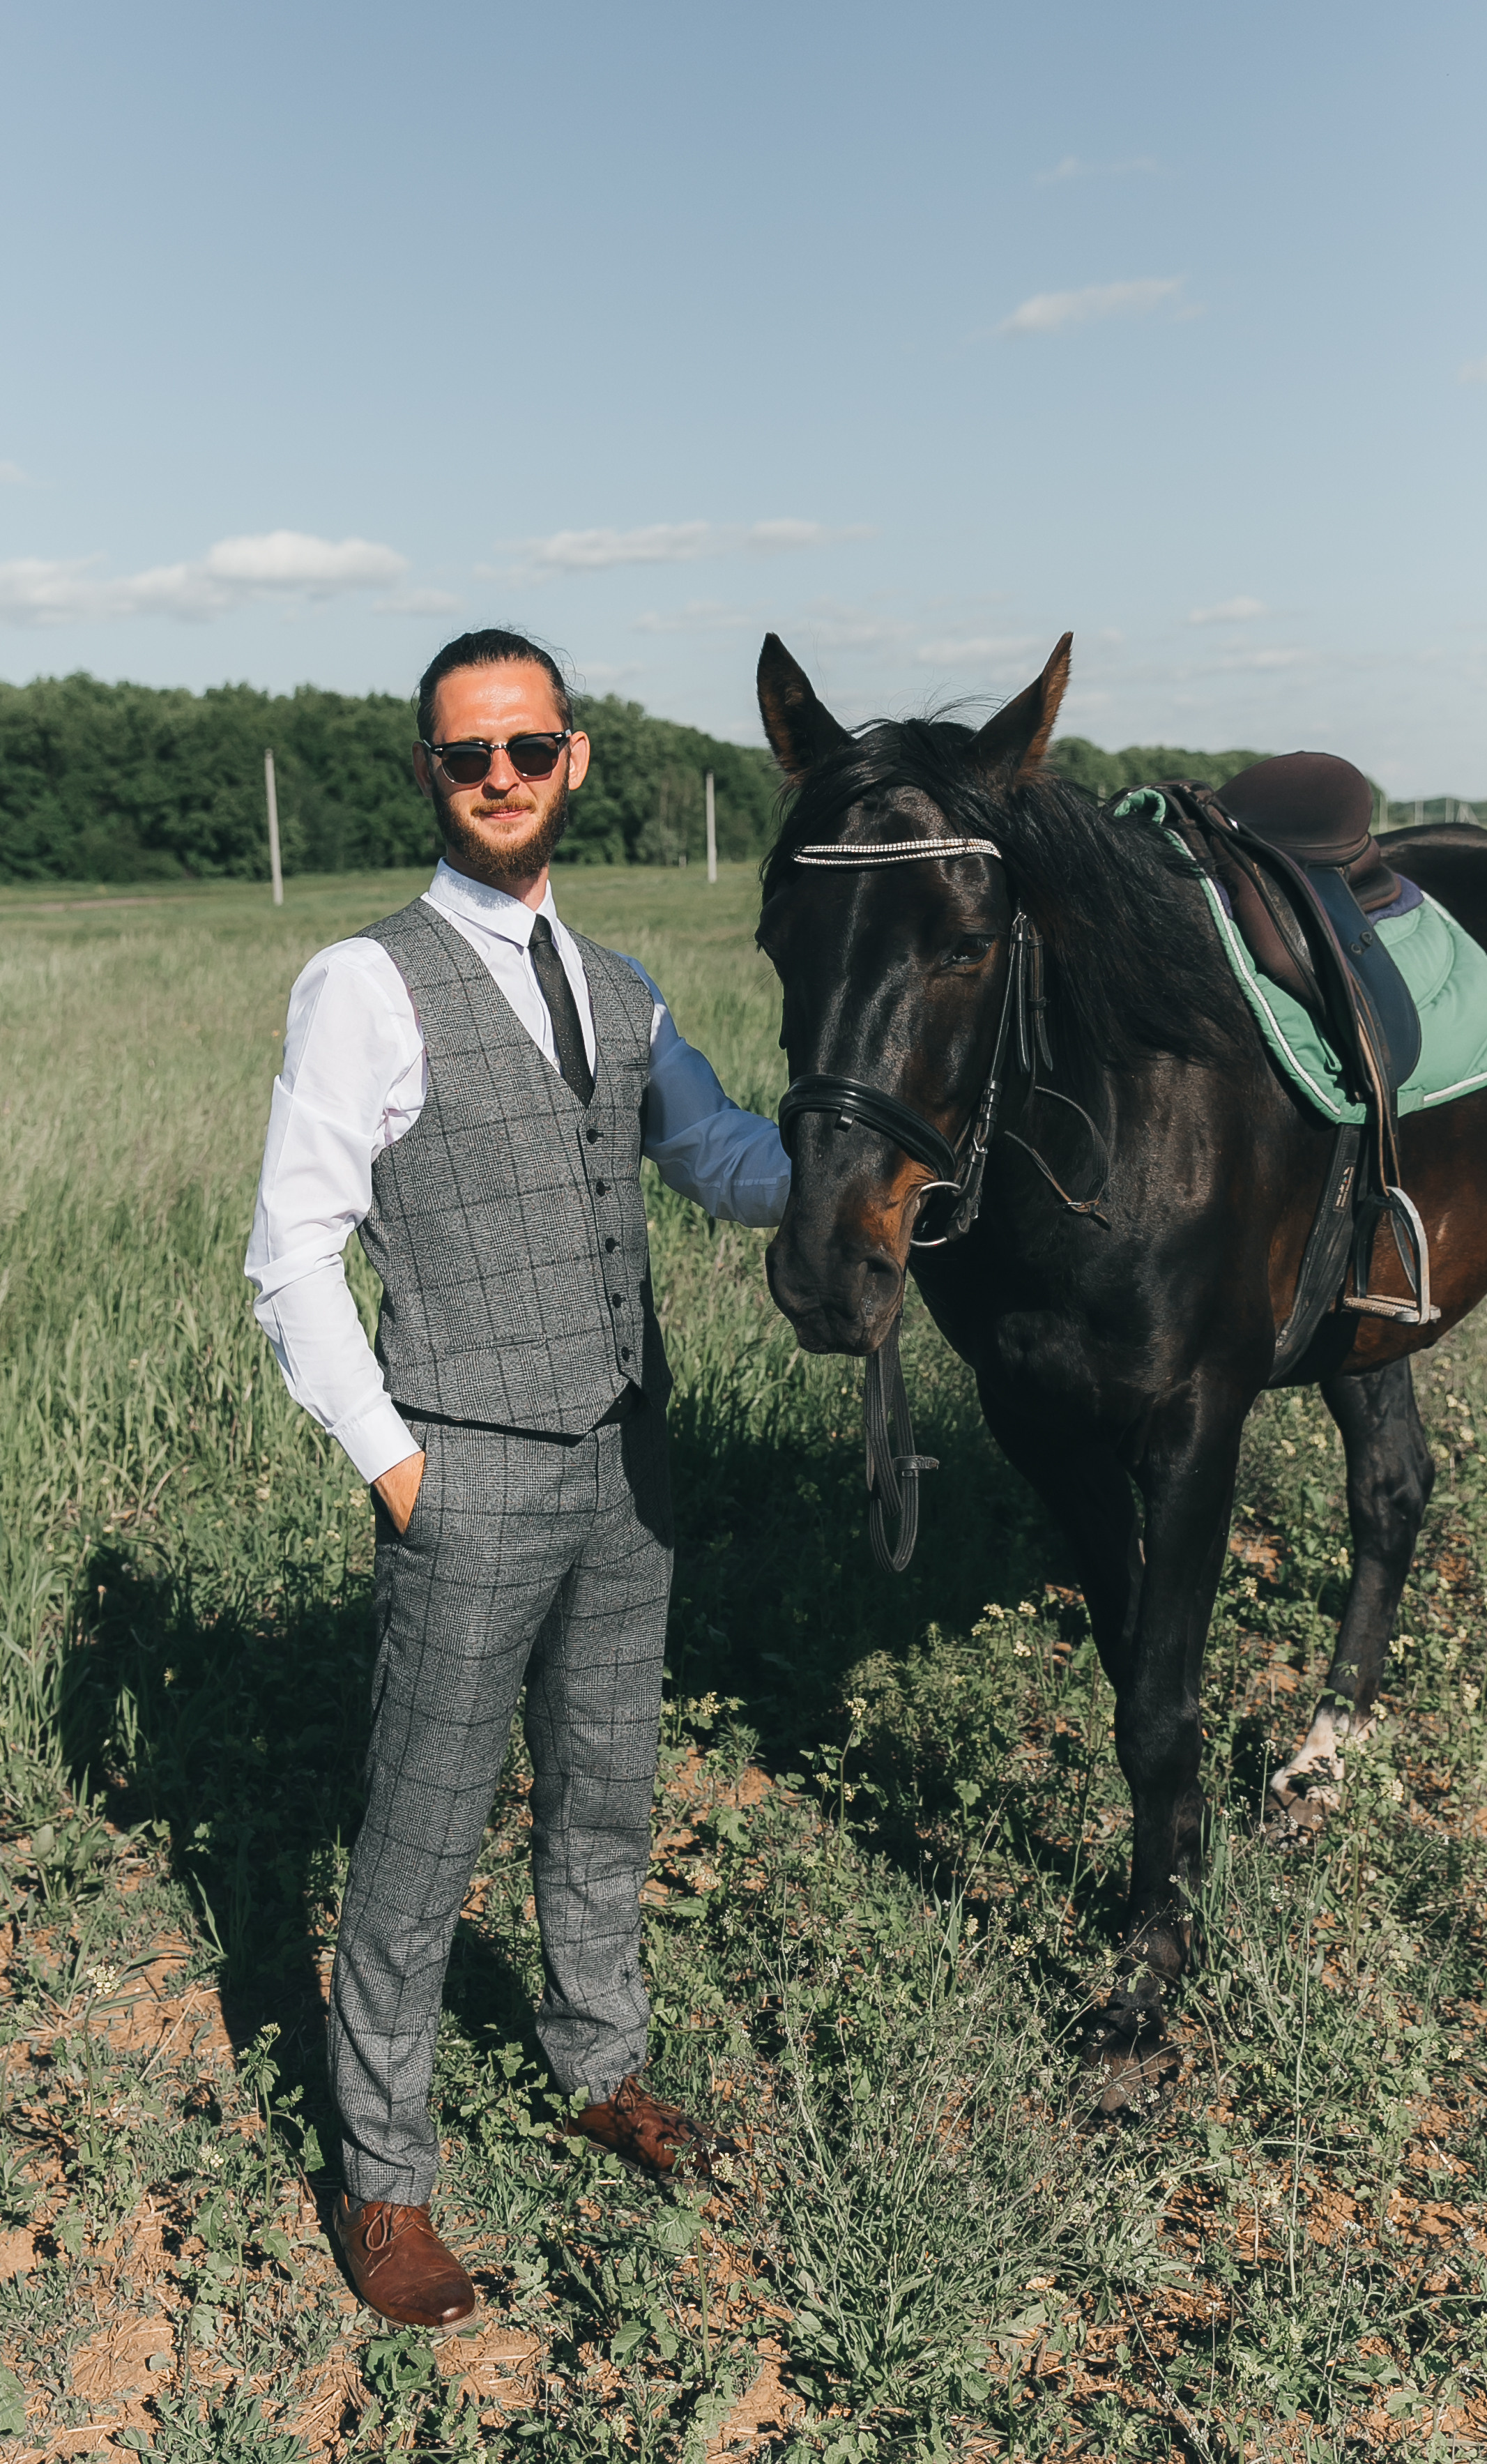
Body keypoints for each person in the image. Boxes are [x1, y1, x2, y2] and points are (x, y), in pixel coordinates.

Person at [245, 628, 789, 2327]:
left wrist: (869, 1169)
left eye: (526, 748)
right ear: (430, 773)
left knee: (607, 1788)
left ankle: (594, 2059)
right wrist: (398, 1466)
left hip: (632, 1464)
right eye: (466, 753)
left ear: (572, 761)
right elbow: (290, 1253)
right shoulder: (364, 979)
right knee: (418, 1837)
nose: (498, 776)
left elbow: (716, 1156)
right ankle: (386, 2181)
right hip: (464, 1468)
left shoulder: (623, 984)